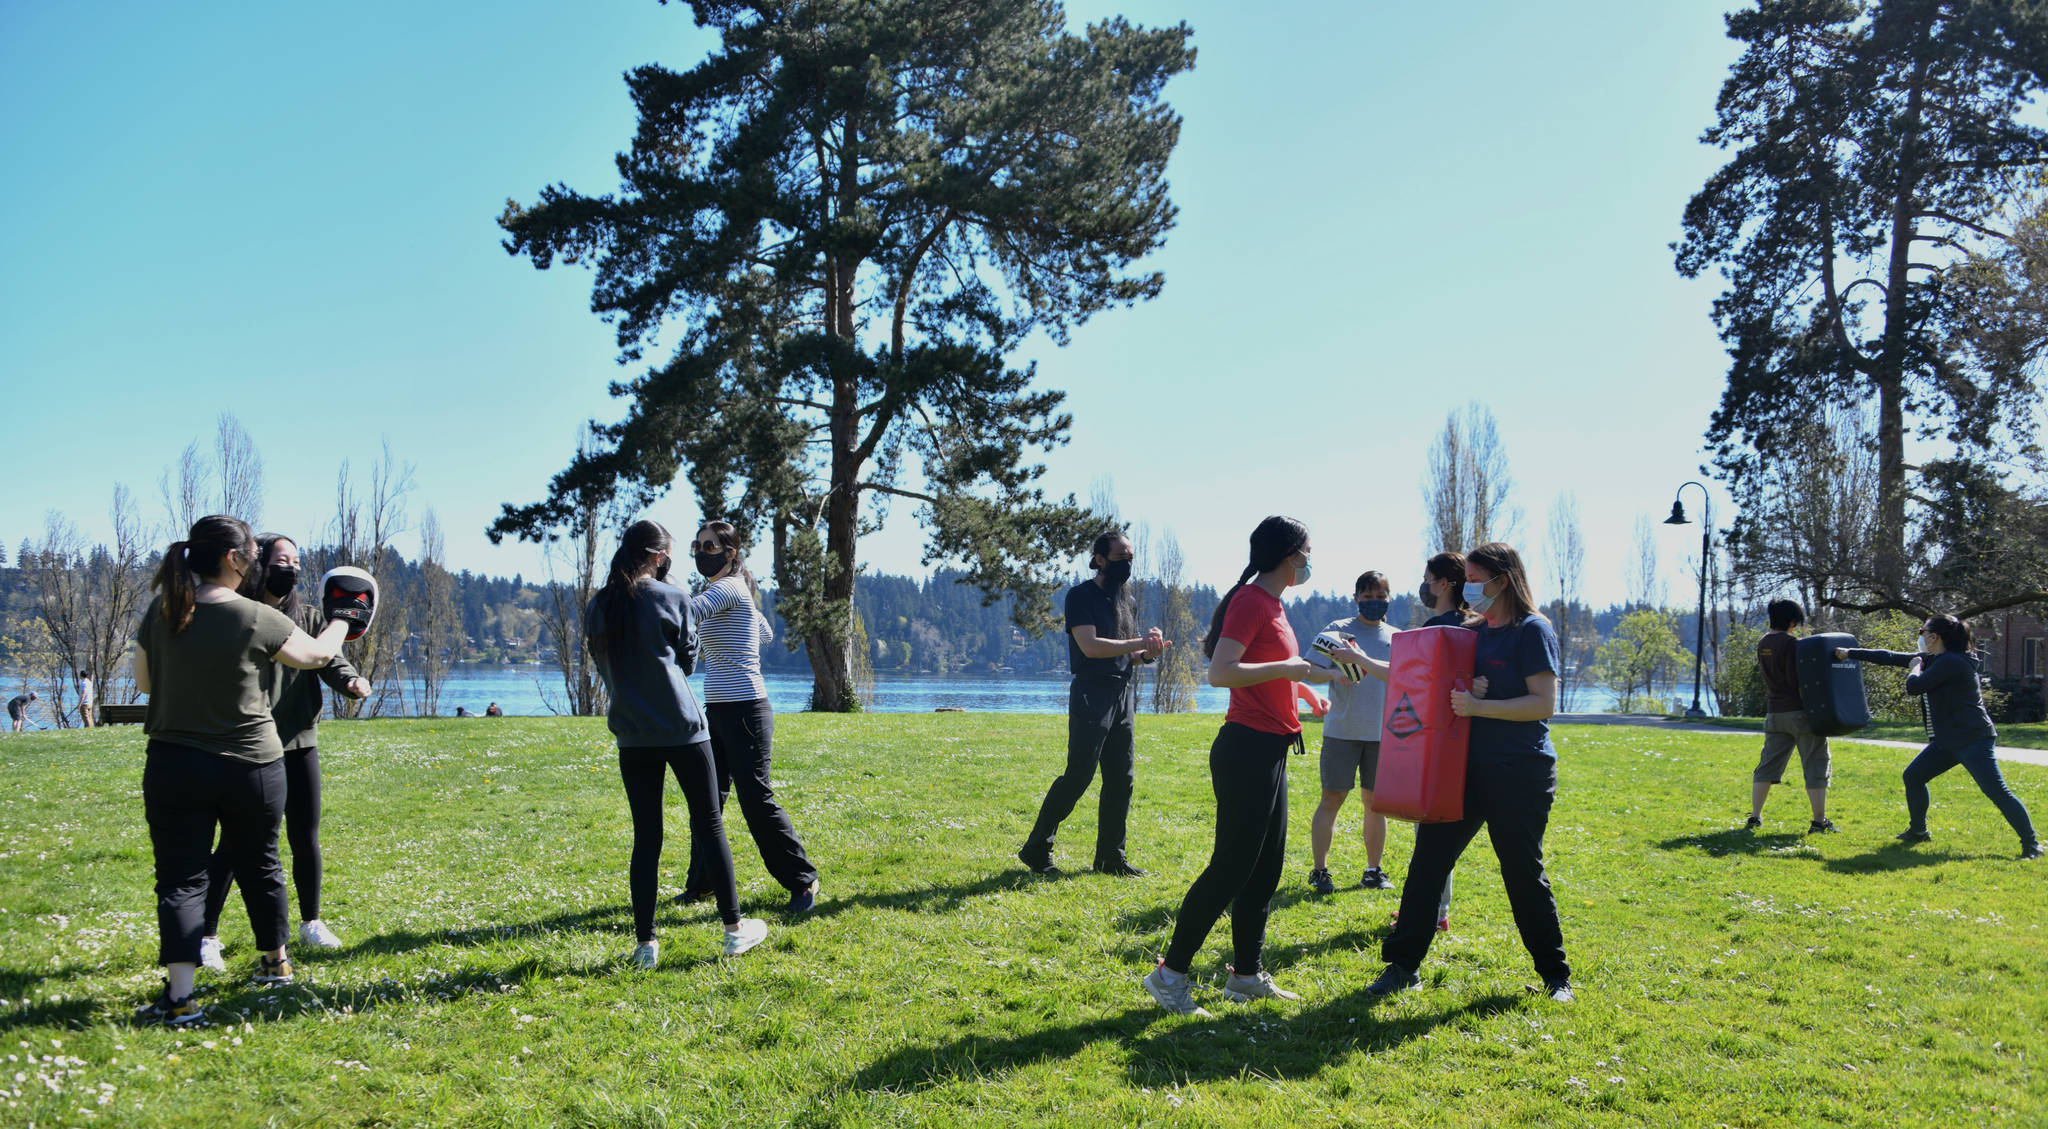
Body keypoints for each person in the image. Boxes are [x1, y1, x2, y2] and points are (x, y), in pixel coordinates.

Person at [131, 515, 361, 1024]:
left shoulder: (163, 610)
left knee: (181, 878)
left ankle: (181, 996)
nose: (258, 562)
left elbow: (145, 684)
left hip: (173, 763)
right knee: (261, 863)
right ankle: (276, 963)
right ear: (233, 560)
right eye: (254, 554)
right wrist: (344, 618)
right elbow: (317, 654)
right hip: (253, 765)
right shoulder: (258, 617)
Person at [1143, 516, 1358, 1015]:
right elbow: (1222, 672)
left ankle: (1244, 975)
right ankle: (1169, 976)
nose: (1310, 562)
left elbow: (1272, 672)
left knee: (1265, 869)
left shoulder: (1274, 606)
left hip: (1273, 749)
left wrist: (1312, 682)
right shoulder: (1249, 602)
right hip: (1245, 751)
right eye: (1307, 553)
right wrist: (1290, 669)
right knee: (1231, 867)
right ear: (1289, 556)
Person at [1363, 542, 1574, 1003]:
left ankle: (1556, 978)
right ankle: (1402, 967)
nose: (1470, 588)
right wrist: (1466, 689)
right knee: (1427, 865)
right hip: (1462, 772)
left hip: (1520, 772)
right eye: (1467, 580)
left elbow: (1543, 704)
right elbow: (1441, 684)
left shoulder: (1532, 630)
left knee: (1522, 872)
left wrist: (1481, 703)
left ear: (1503, 580)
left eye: (1477, 579)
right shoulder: (1470, 630)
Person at [587, 519, 766, 969]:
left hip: (631, 732)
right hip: (684, 728)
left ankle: (645, 944)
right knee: (709, 823)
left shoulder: (600, 604)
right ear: (659, 556)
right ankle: (733, 929)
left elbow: (601, 659)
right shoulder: (672, 597)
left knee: (646, 837)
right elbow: (686, 660)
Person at [197, 534, 372, 969]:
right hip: (252, 746)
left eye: (295, 560)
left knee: (305, 837)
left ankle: (312, 922)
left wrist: (351, 682)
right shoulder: (243, 612)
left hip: (299, 741)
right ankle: (207, 935)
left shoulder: (310, 616)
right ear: (259, 564)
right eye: (281, 559)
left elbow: (329, 659)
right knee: (238, 842)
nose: (289, 567)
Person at [678, 520, 821, 914]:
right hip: (719, 710)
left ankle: (803, 881)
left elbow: (689, 611)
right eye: (698, 545)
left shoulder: (726, 588)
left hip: (746, 711)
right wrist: (743, 626)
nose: (702, 553)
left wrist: (654, 593)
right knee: (709, 801)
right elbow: (765, 632)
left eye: (710, 547)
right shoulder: (733, 592)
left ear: (730, 553)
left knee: (756, 799)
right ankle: (703, 885)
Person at [1021, 530, 1168, 878]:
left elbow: (1126, 655)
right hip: (1091, 693)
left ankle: (1110, 858)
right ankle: (1036, 849)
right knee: (1079, 776)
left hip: (1122, 694)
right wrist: (1138, 641)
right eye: (1120, 558)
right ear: (1099, 559)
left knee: (1122, 779)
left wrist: (1147, 653)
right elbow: (1091, 647)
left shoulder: (1126, 600)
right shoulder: (1080, 596)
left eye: (1131, 558)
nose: (1128, 564)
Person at [1838, 616, 2040, 859]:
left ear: (1934, 637)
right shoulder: (1936, 659)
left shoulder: (1952, 662)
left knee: (1997, 791)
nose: (1921, 635)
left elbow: (1914, 686)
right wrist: (1849, 652)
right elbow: (1888, 656)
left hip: (1972, 739)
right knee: (1913, 776)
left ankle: (2032, 846)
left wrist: (1915, 667)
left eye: (1923, 630)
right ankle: (1918, 832)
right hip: (1947, 741)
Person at [1304, 570, 1397, 896]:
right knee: (1332, 798)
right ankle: (1320, 871)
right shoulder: (1337, 632)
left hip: (1382, 735)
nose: (1374, 602)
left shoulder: (1397, 638)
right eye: (1367, 597)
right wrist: (1332, 672)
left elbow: (1406, 679)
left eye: (1380, 596)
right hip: (1342, 731)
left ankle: (1373, 871)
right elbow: (1308, 670)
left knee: (1376, 804)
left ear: (1389, 598)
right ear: (1356, 598)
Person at [1747, 600, 1835, 833]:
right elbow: (1799, 680)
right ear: (1792, 622)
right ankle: (1819, 821)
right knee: (1815, 763)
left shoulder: (1763, 642)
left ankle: (1755, 817)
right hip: (1799, 713)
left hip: (1774, 713)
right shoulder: (1793, 645)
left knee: (1767, 765)